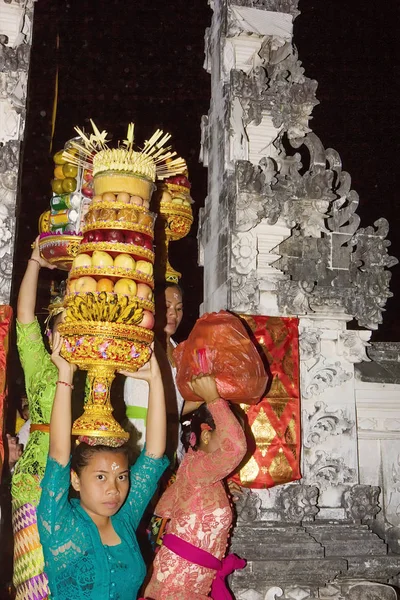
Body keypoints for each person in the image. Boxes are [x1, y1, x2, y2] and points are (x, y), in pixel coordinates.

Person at [37, 333, 169, 600]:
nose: (114, 489)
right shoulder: (58, 523)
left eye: (122, 477)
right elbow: (60, 454)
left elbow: (154, 453)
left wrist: (156, 380)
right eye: (100, 477)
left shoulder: (124, 519)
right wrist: (65, 375)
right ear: (75, 480)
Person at [143, 375, 247, 600]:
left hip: (183, 584)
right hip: (175, 585)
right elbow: (235, 449)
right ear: (207, 435)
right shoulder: (197, 470)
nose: (237, 438)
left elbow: (163, 513)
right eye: (229, 431)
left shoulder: (197, 473)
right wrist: (213, 399)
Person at [11, 236, 58, 600]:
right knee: (33, 585)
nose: (69, 336)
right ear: (50, 334)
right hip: (34, 480)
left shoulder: (96, 372)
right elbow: (24, 316)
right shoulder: (40, 367)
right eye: (63, 328)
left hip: (77, 483)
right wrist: (35, 261)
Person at [123, 282, 201, 461]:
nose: (174, 313)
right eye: (167, 306)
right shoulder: (140, 344)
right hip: (141, 438)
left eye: (179, 308)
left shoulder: (179, 350)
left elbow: (175, 406)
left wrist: (205, 397)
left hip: (174, 439)